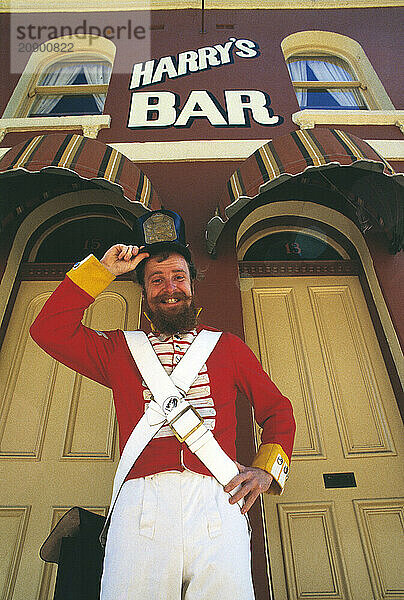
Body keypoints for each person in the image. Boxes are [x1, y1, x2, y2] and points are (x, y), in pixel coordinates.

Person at [30, 209, 295, 600]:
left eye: (178, 277)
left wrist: (266, 472)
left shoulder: (227, 348)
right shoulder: (118, 351)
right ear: (143, 291)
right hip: (141, 507)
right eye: (156, 280)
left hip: (217, 500)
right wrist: (102, 270)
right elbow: (48, 329)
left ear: (192, 286)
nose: (169, 288)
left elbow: (278, 410)